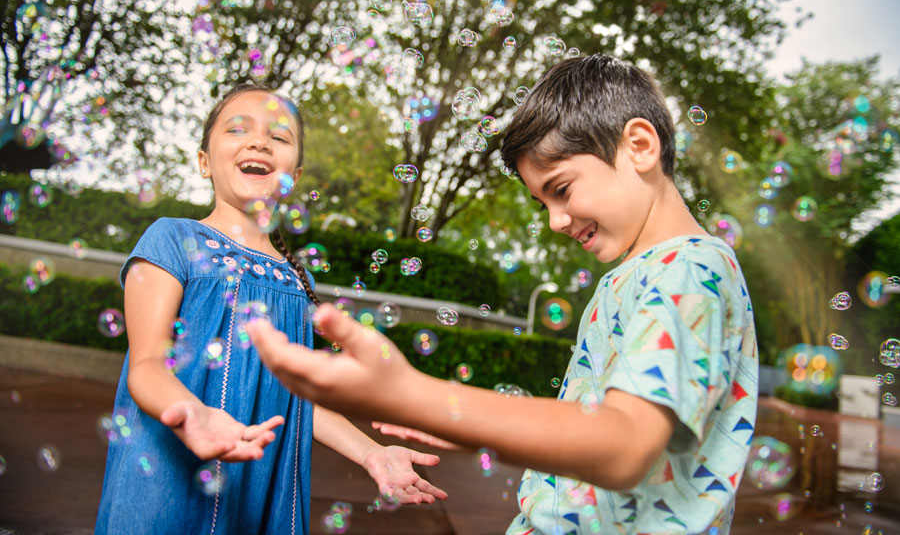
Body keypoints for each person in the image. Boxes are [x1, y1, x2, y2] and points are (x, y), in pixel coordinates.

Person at [248, 55, 760, 534]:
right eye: (543, 205)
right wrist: (479, 425)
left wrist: (420, 396)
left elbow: (625, 444)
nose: (557, 222)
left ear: (640, 147)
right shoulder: (642, 273)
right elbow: (594, 423)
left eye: (561, 189)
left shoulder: (690, 270)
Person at [95, 83, 447, 535]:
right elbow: (146, 366)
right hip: (168, 475)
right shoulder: (172, 240)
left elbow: (298, 398)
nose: (259, 141)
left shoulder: (298, 279)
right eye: (238, 129)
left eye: (279, 137)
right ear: (204, 161)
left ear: (294, 176)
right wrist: (191, 412)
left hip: (265, 483)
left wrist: (371, 452)